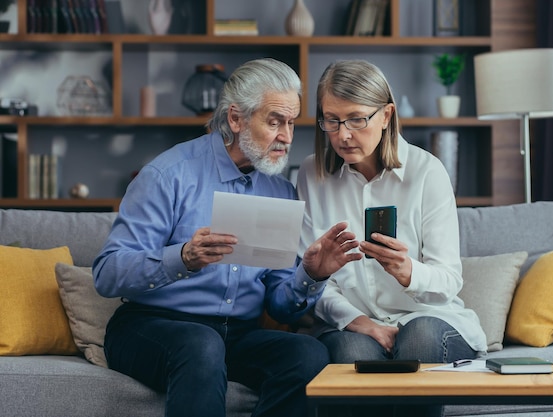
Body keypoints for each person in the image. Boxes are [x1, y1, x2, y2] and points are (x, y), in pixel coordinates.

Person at [93, 58, 361, 417]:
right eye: (274, 121)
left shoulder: (279, 191)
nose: (286, 136)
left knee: (308, 353)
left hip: (234, 334)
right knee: (201, 344)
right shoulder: (167, 174)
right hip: (150, 327)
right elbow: (107, 274)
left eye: (292, 123)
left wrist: (311, 276)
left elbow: (280, 305)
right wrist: (183, 257)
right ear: (236, 119)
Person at [297, 60, 488, 417]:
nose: (342, 135)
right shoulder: (312, 174)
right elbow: (314, 279)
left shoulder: (427, 172)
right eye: (331, 120)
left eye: (356, 119)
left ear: (386, 115)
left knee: (420, 337)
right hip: (353, 322)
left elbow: (449, 280)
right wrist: (362, 322)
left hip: (430, 320)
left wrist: (409, 271)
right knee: (354, 353)